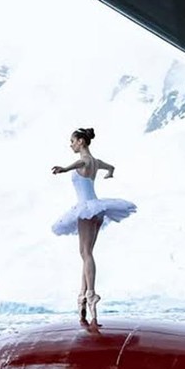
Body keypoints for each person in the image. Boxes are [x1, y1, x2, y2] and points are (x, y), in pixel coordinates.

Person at [50, 127, 137, 325]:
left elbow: (81, 162)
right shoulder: (96, 162)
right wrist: (110, 173)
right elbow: (111, 166)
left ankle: (91, 293)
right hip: (96, 210)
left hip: (86, 210)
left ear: (81, 141)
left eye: (72, 141)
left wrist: (64, 169)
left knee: (86, 254)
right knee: (86, 254)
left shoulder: (86, 160)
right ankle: (83, 294)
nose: (70, 144)